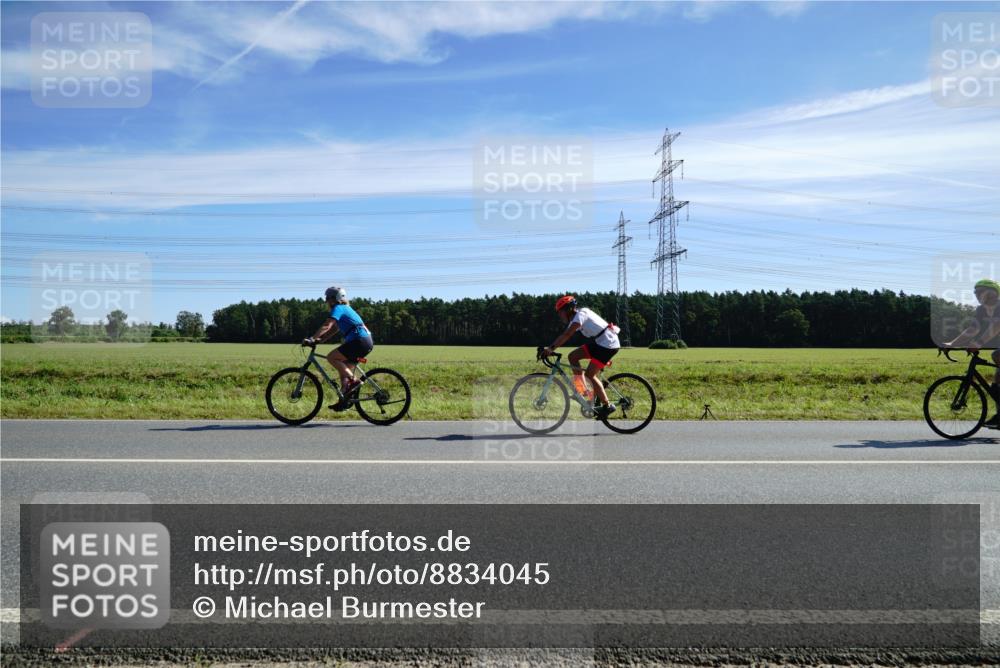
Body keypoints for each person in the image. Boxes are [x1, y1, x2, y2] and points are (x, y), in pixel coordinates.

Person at [542, 295, 621, 418]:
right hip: (600, 342)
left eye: (560, 312)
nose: (560, 316)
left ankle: (607, 405)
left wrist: (551, 348)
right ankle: (582, 390)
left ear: (568, 310)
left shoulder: (581, 314)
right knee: (573, 356)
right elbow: (563, 335)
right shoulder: (575, 319)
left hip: (608, 344)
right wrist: (551, 347)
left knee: (590, 374)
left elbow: (567, 335)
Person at [303, 286, 374, 411]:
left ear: (334, 299)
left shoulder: (338, 308)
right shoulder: (345, 308)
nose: (326, 301)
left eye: (328, 298)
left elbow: (327, 325)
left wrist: (312, 339)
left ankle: (355, 381)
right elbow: (334, 329)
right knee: (343, 371)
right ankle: (344, 401)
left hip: (359, 341)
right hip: (364, 341)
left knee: (332, 357)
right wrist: (320, 341)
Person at [945, 278, 1000, 428]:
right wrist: (952, 344)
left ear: (993, 293)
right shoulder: (981, 310)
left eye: (981, 291)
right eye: (975, 292)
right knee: (997, 380)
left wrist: (978, 343)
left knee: (996, 355)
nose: (977, 294)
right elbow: (973, 329)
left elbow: (996, 326)